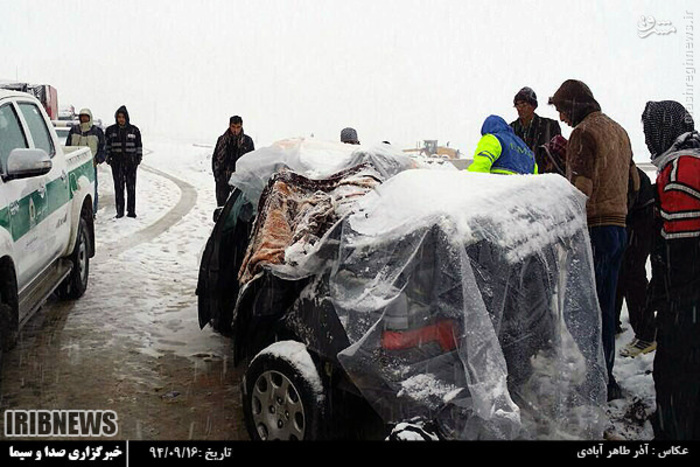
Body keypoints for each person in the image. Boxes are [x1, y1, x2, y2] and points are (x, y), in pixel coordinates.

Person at [548, 79, 638, 401]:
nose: (561, 118)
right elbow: (635, 182)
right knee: (606, 306)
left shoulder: (584, 134)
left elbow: (581, 190)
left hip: (595, 230)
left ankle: (596, 383)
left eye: (561, 109)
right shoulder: (619, 131)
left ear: (574, 105)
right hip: (619, 228)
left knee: (586, 312)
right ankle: (605, 376)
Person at [641, 100, 700, 440]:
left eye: (650, 130)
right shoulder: (692, 158)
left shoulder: (679, 172)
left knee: (675, 373)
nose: (648, 139)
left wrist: (667, 306)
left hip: (689, 298)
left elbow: (681, 252)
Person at [616, 167, 657, 357]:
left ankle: (647, 335)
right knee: (623, 274)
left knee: (633, 276)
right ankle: (616, 325)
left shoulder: (624, 167)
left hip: (638, 219)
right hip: (636, 218)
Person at [510, 87, 562, 174]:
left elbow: (557, 154)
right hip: (519, 178)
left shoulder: (550, 125)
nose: (520, 108)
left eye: (523, 104)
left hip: (544, 178)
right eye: (517, 105)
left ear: (533, 106)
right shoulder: (510, 129)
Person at [66, 108, 105, 217]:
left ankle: (92, 212)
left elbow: (103, 148)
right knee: (75, 190)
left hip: (90, 165)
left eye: (86, 116)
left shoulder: (97, 132)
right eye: (82, 116)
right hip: (74, 165)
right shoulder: (74, 131)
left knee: (92, 188)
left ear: (90, 117)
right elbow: (68, 147)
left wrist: (97, 160)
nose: (83, 118)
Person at [105, 105, 142, 218]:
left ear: (127, 117)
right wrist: (108, 158)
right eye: (119, 117)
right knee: (119, 187)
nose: (121, 119)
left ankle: (131, 211)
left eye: (123, 117)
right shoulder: (110, 130)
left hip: (131, 163)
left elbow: (139, 146)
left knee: (131, 188)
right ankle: (119, 212)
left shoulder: (134, 130)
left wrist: (138, 159)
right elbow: (107, 146)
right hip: (117, 163)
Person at [467, 115, 537, 174]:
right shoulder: (526, 149)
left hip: (499, 187)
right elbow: (534, 177)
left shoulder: (493, 138)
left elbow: (481, 164)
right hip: (522, 189)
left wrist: (472, 185)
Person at [212, 115, 255, 206]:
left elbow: (251, 161)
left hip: (240, 179)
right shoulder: (222, 140)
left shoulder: (247, 141)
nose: (235, 130)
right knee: (221, 208)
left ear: (241, 126)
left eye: (238, 127)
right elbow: (215, 159)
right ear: (229, 125)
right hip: (223, 178)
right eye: (233, 127)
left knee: (240, 208)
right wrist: (218, 177)